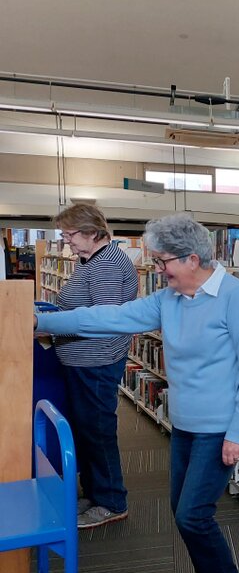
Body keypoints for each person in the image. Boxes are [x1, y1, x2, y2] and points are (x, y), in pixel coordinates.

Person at [36, 213, 239, 573]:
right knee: (182, 514)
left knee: (193, 515)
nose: (158, 271)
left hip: (219, 429)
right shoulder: (170, 299)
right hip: (185, 425)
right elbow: (106, 317)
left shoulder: (237, 298)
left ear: (192, 259)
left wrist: (237, 432)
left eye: (163, 262)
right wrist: (41, 321)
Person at [50, 203, 139, 529]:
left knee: (98, 431)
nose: (67, 241)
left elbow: (102, 321)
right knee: (86, 429)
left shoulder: (107, 266)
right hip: (83, 361)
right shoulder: (92, 261)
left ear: (91, 231)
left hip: (96, 362)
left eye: (70, 234)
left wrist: (52, 326)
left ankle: (112, 501)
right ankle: (95, 493)